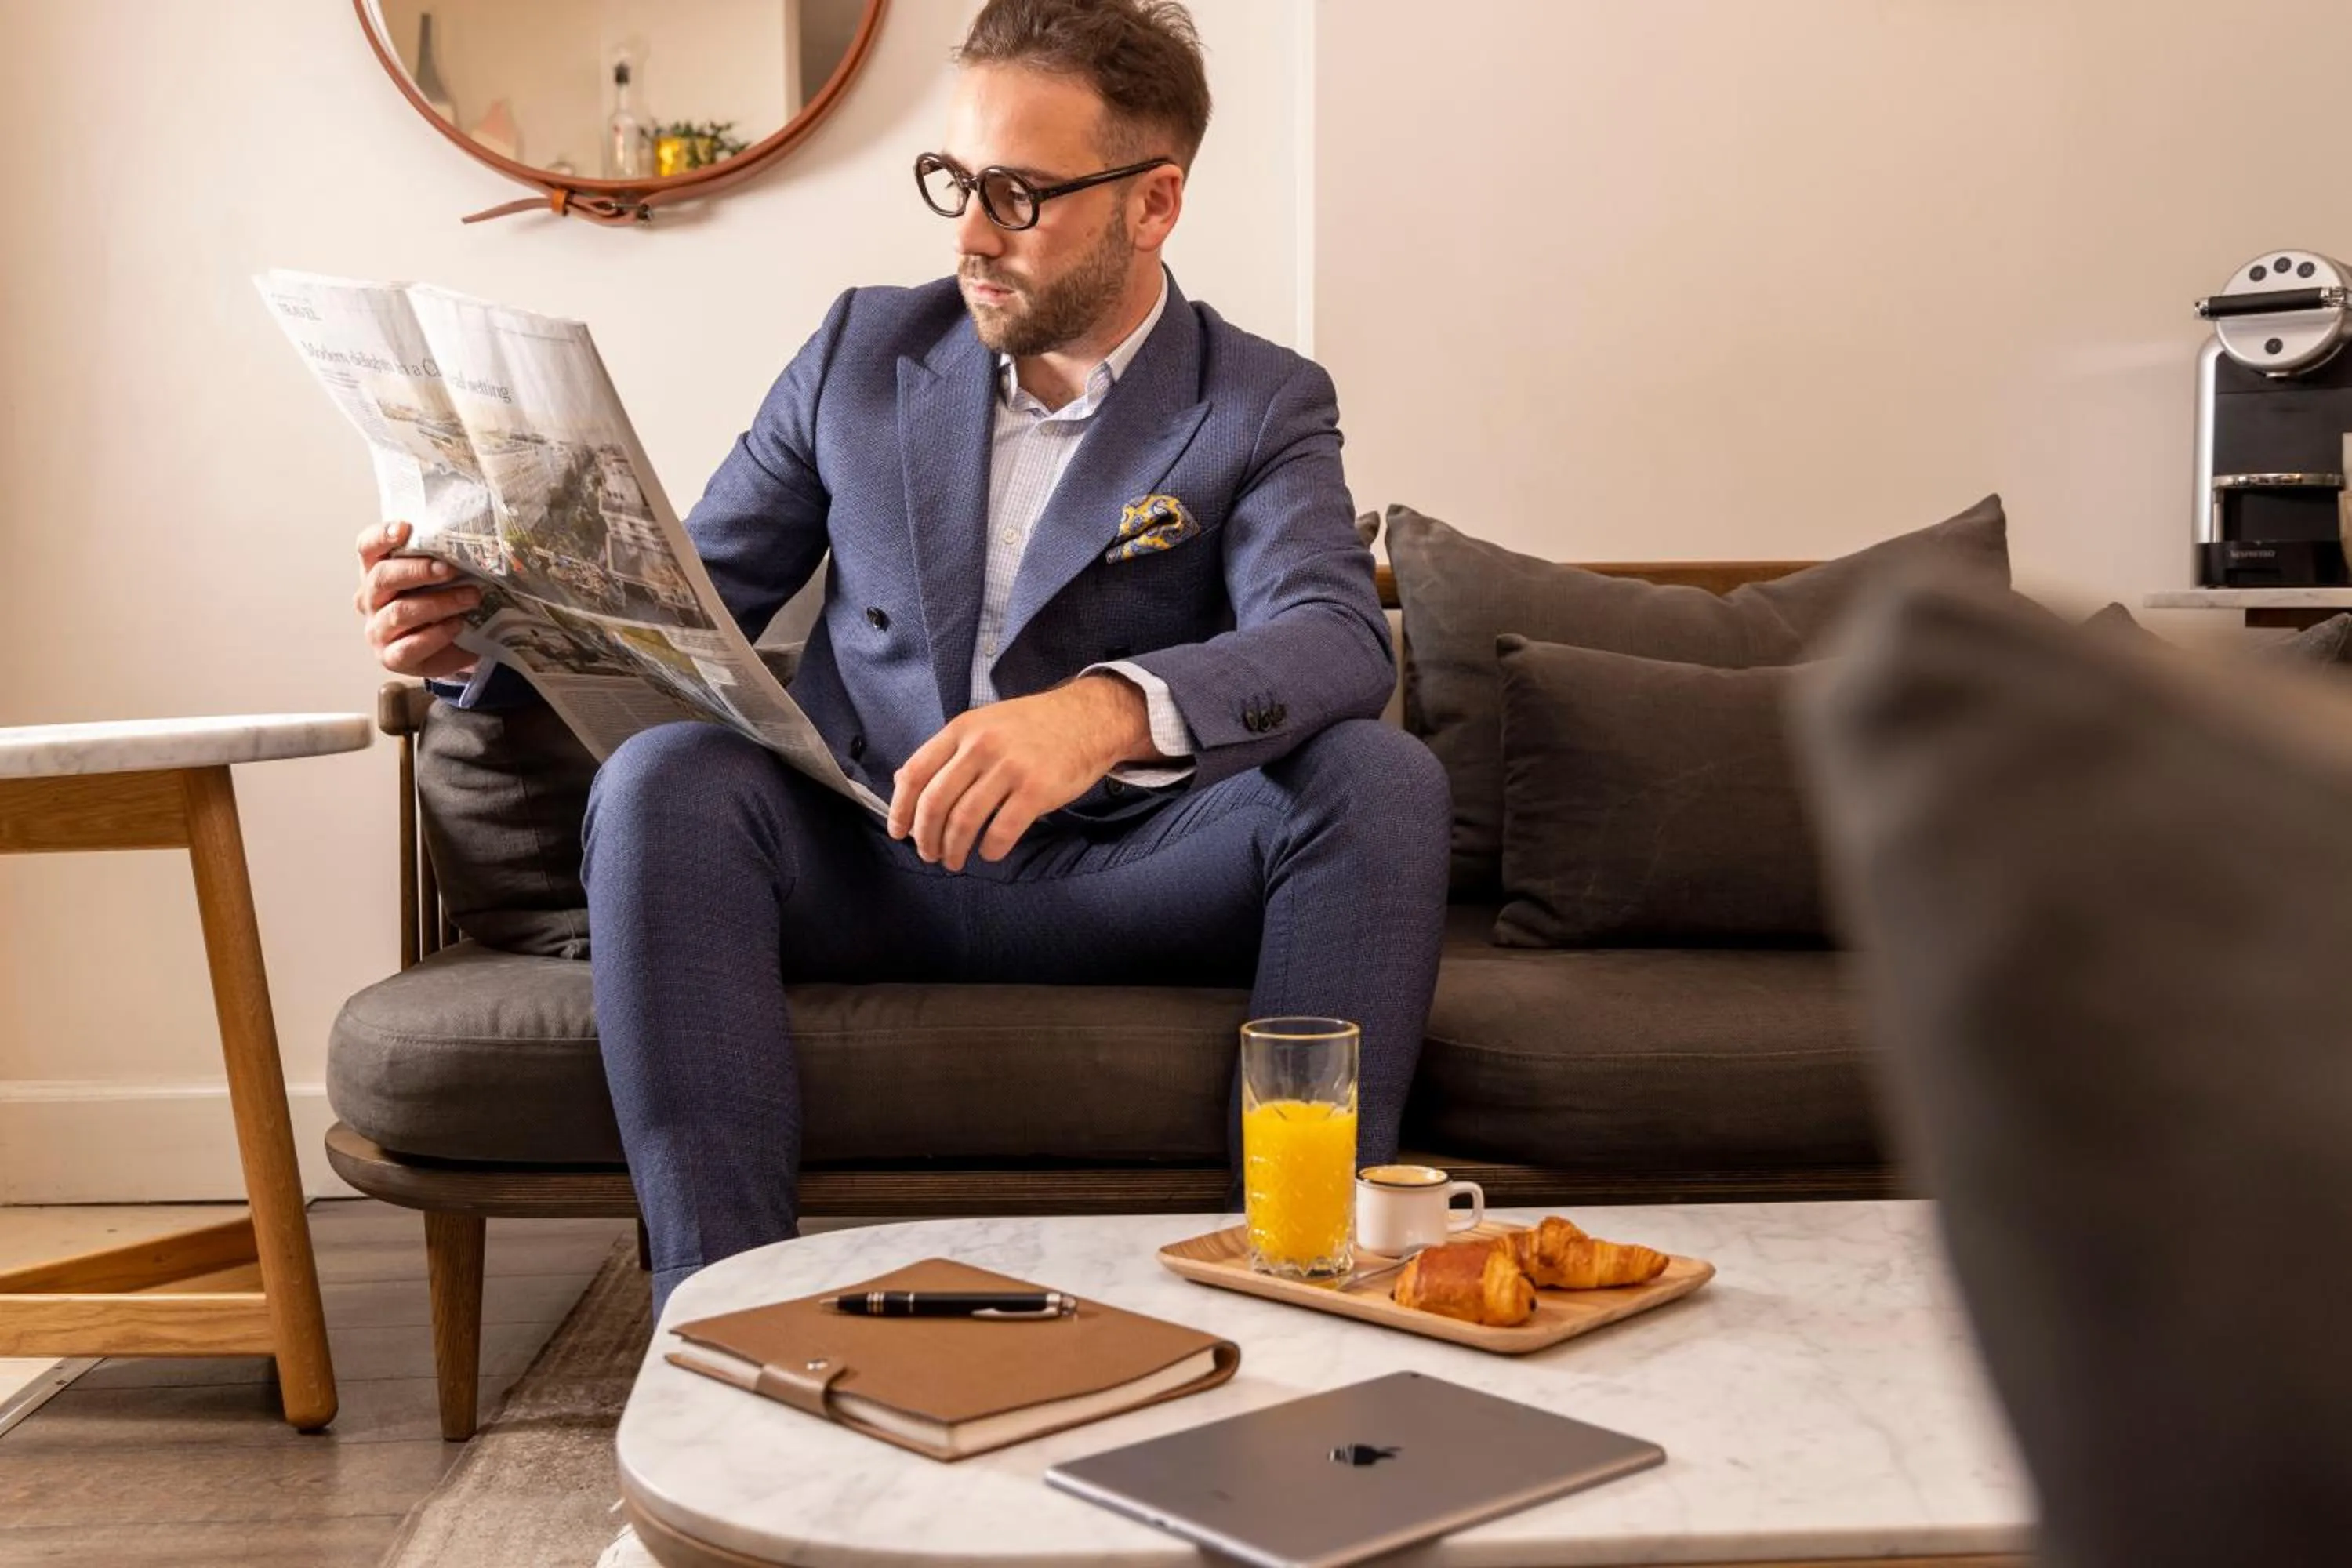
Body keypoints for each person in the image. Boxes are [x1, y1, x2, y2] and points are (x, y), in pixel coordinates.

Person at [350, 0, 1450, 1316]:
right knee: (665, 780)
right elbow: (683, 605)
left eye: (1018, 195)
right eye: (953, 181)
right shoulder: (860, 354)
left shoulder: (1258, 400)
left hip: (1128, 871)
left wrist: (1101, 714)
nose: (971, 233)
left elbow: (1333, 635)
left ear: (1153, 204)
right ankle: (720, 1317)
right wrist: (480, 638)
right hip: (870, 857)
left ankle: (1294, 1289)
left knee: (1379, 779)